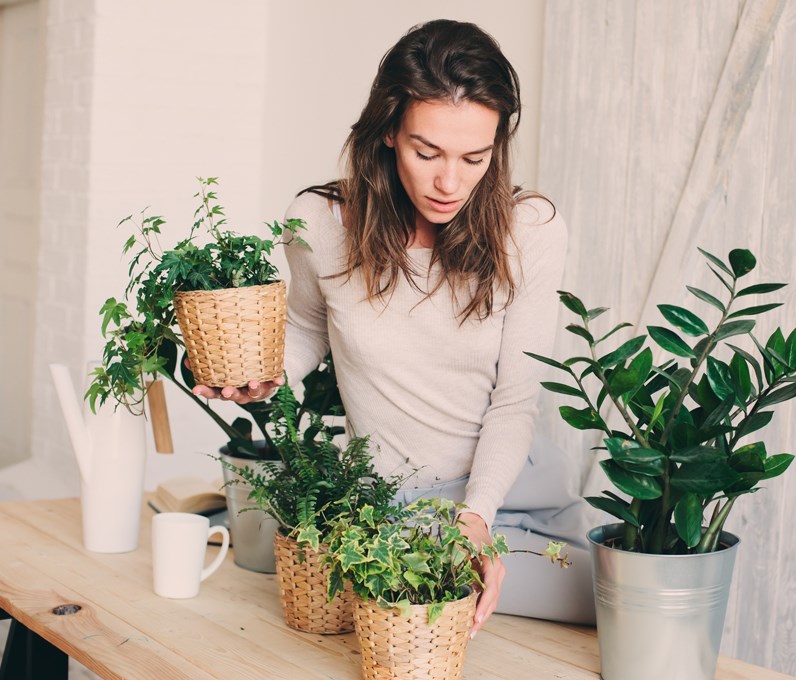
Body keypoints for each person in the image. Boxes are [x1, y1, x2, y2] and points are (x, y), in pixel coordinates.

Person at [193, 19, 595, 630]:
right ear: (386, 132)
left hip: (511, 500)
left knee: (614, 610)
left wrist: (475, 519)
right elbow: (306, 327)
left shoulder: (530, 231)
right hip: (391, 509)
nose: (449, 182)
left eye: (475, 157)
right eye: (426, 151)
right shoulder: (321, 224)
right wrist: (262, 375)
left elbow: (515, 401)